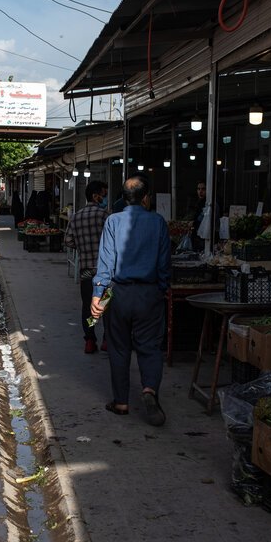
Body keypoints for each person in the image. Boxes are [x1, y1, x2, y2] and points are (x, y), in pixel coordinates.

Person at [90, 174, 171, 427]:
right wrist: (161, 290)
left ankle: (121, 402)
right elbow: (164, 265)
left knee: (119, 348)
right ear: (146, 198)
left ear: (123, 199)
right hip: (149, 294)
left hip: (118, 293)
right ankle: (149, 390)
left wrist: (98, 295)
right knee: (150, 347)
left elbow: (105, 264)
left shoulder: (113, 221)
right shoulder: (158, 222)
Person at [64, 180, 108, 354]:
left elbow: (68, 241)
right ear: (95, 196)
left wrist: (82, 246)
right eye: (103, 195)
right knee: (105, 305)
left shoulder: (76, 217)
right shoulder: (105, 216)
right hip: (105, 273)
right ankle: (106, 339)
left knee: (88, 306)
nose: (105, 199)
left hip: (86, 271)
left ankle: (90, 339)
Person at [189, 181, 207, 251]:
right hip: (197, 233)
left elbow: (202, 217)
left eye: (203, 189)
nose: (200, 191)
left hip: (201, 235)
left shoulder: (206, 203)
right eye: (198, 189)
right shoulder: (199, 202)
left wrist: (194, 223)